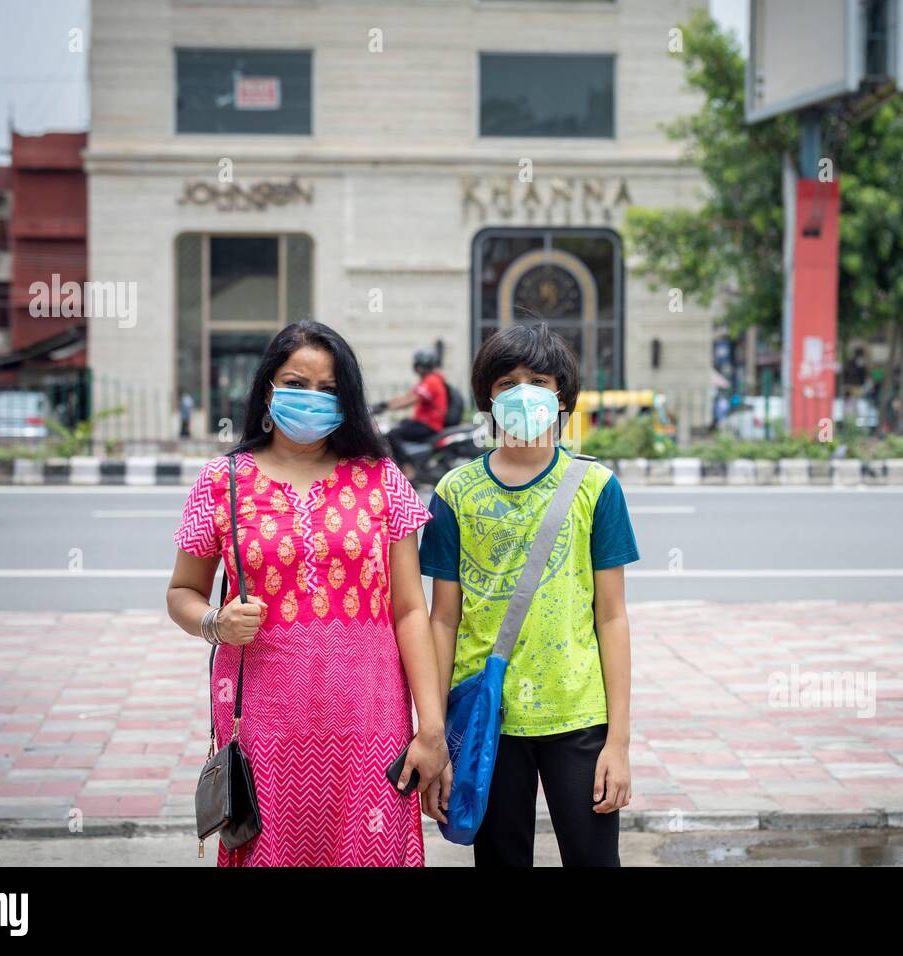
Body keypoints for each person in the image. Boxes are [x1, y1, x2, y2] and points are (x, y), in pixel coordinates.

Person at [166, 320, 451, 866]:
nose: (312, 400)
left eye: (329, 390)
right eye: (297, 384)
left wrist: (431, 728)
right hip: (263, 725)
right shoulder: (221, 481)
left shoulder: (381, 479)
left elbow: (411, 609)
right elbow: (182, 592)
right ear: (268, 391)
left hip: (371, 720)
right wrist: (214, 624)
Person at [418, 322, 639, 866]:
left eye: (538, 380)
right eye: (507, 381)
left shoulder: (597, 487)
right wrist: (439, 734)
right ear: (487, 397)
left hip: (578, 715)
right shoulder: (454, 492)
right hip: (486, 716)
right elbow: (441, 620)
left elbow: (611, 618)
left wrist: (619, 743)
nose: (523, 392)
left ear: (562, 396)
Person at [372, 349, 449, 479]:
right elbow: (408, 396)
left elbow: (410, 400)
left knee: (391, 433)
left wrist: (384, 406)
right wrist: (383, 404)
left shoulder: (431, 382)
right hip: (423, 422)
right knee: (398, 424)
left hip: (428, 425)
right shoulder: (429, 380)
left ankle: (408, 468)